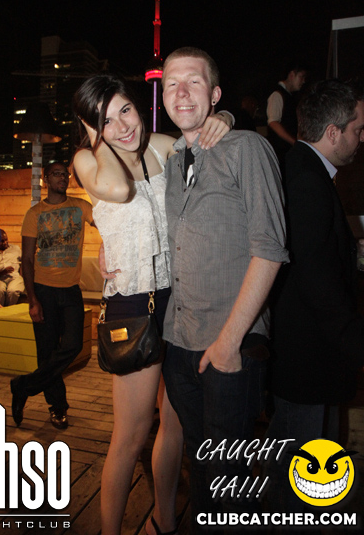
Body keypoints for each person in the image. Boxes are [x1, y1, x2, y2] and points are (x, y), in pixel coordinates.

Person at [72, 73, 233, 535]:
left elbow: (209, 136)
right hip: (131, 302)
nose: (123, 126)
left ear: (139, 106)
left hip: (178, 299)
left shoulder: (162, 148)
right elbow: (119, 191)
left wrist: (224, 116)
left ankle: (163, 521)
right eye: (106, 120)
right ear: (90, 128)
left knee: (175, 424)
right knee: (131, 433)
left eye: (125, 110)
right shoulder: (88, 159)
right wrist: (98, 136)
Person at [160, 47, 288, 532]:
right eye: (171, 84)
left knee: (229, 480)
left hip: (229, 345)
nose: (181, 92)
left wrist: (230, 343)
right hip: (179, 343)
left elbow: (270, 250)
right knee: (201, 469)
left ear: (214, 94)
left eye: (193, 82)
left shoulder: (247, 149)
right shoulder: (173, 158)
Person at [266, 79, 364, 512]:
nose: (362, 138)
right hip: (306, 354)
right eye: (358, 129)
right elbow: (315, 277)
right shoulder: (306, 178)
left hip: (306, 352)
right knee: (297, 470)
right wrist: (354, 342)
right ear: (333, 133)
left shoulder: (304, 168)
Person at [10, 161, 94, 430]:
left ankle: (23, 385)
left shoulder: (81, 207)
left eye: (65, 174)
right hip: (43, 290)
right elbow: (27, 259)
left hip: (70, 290)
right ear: (46, 180)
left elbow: (108, 222)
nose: (63, 178)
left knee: (73, 345)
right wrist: (32, 300)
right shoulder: (35, 213)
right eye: (56, 174)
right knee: (46, 352)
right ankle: (58, 407)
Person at [266, 61, 306, 164]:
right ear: (292, 75)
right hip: (280, 155)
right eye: (301, 77)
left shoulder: (290, 97)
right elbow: (273, 123)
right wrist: (294, 142)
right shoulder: (277, 95)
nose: (303, 81)